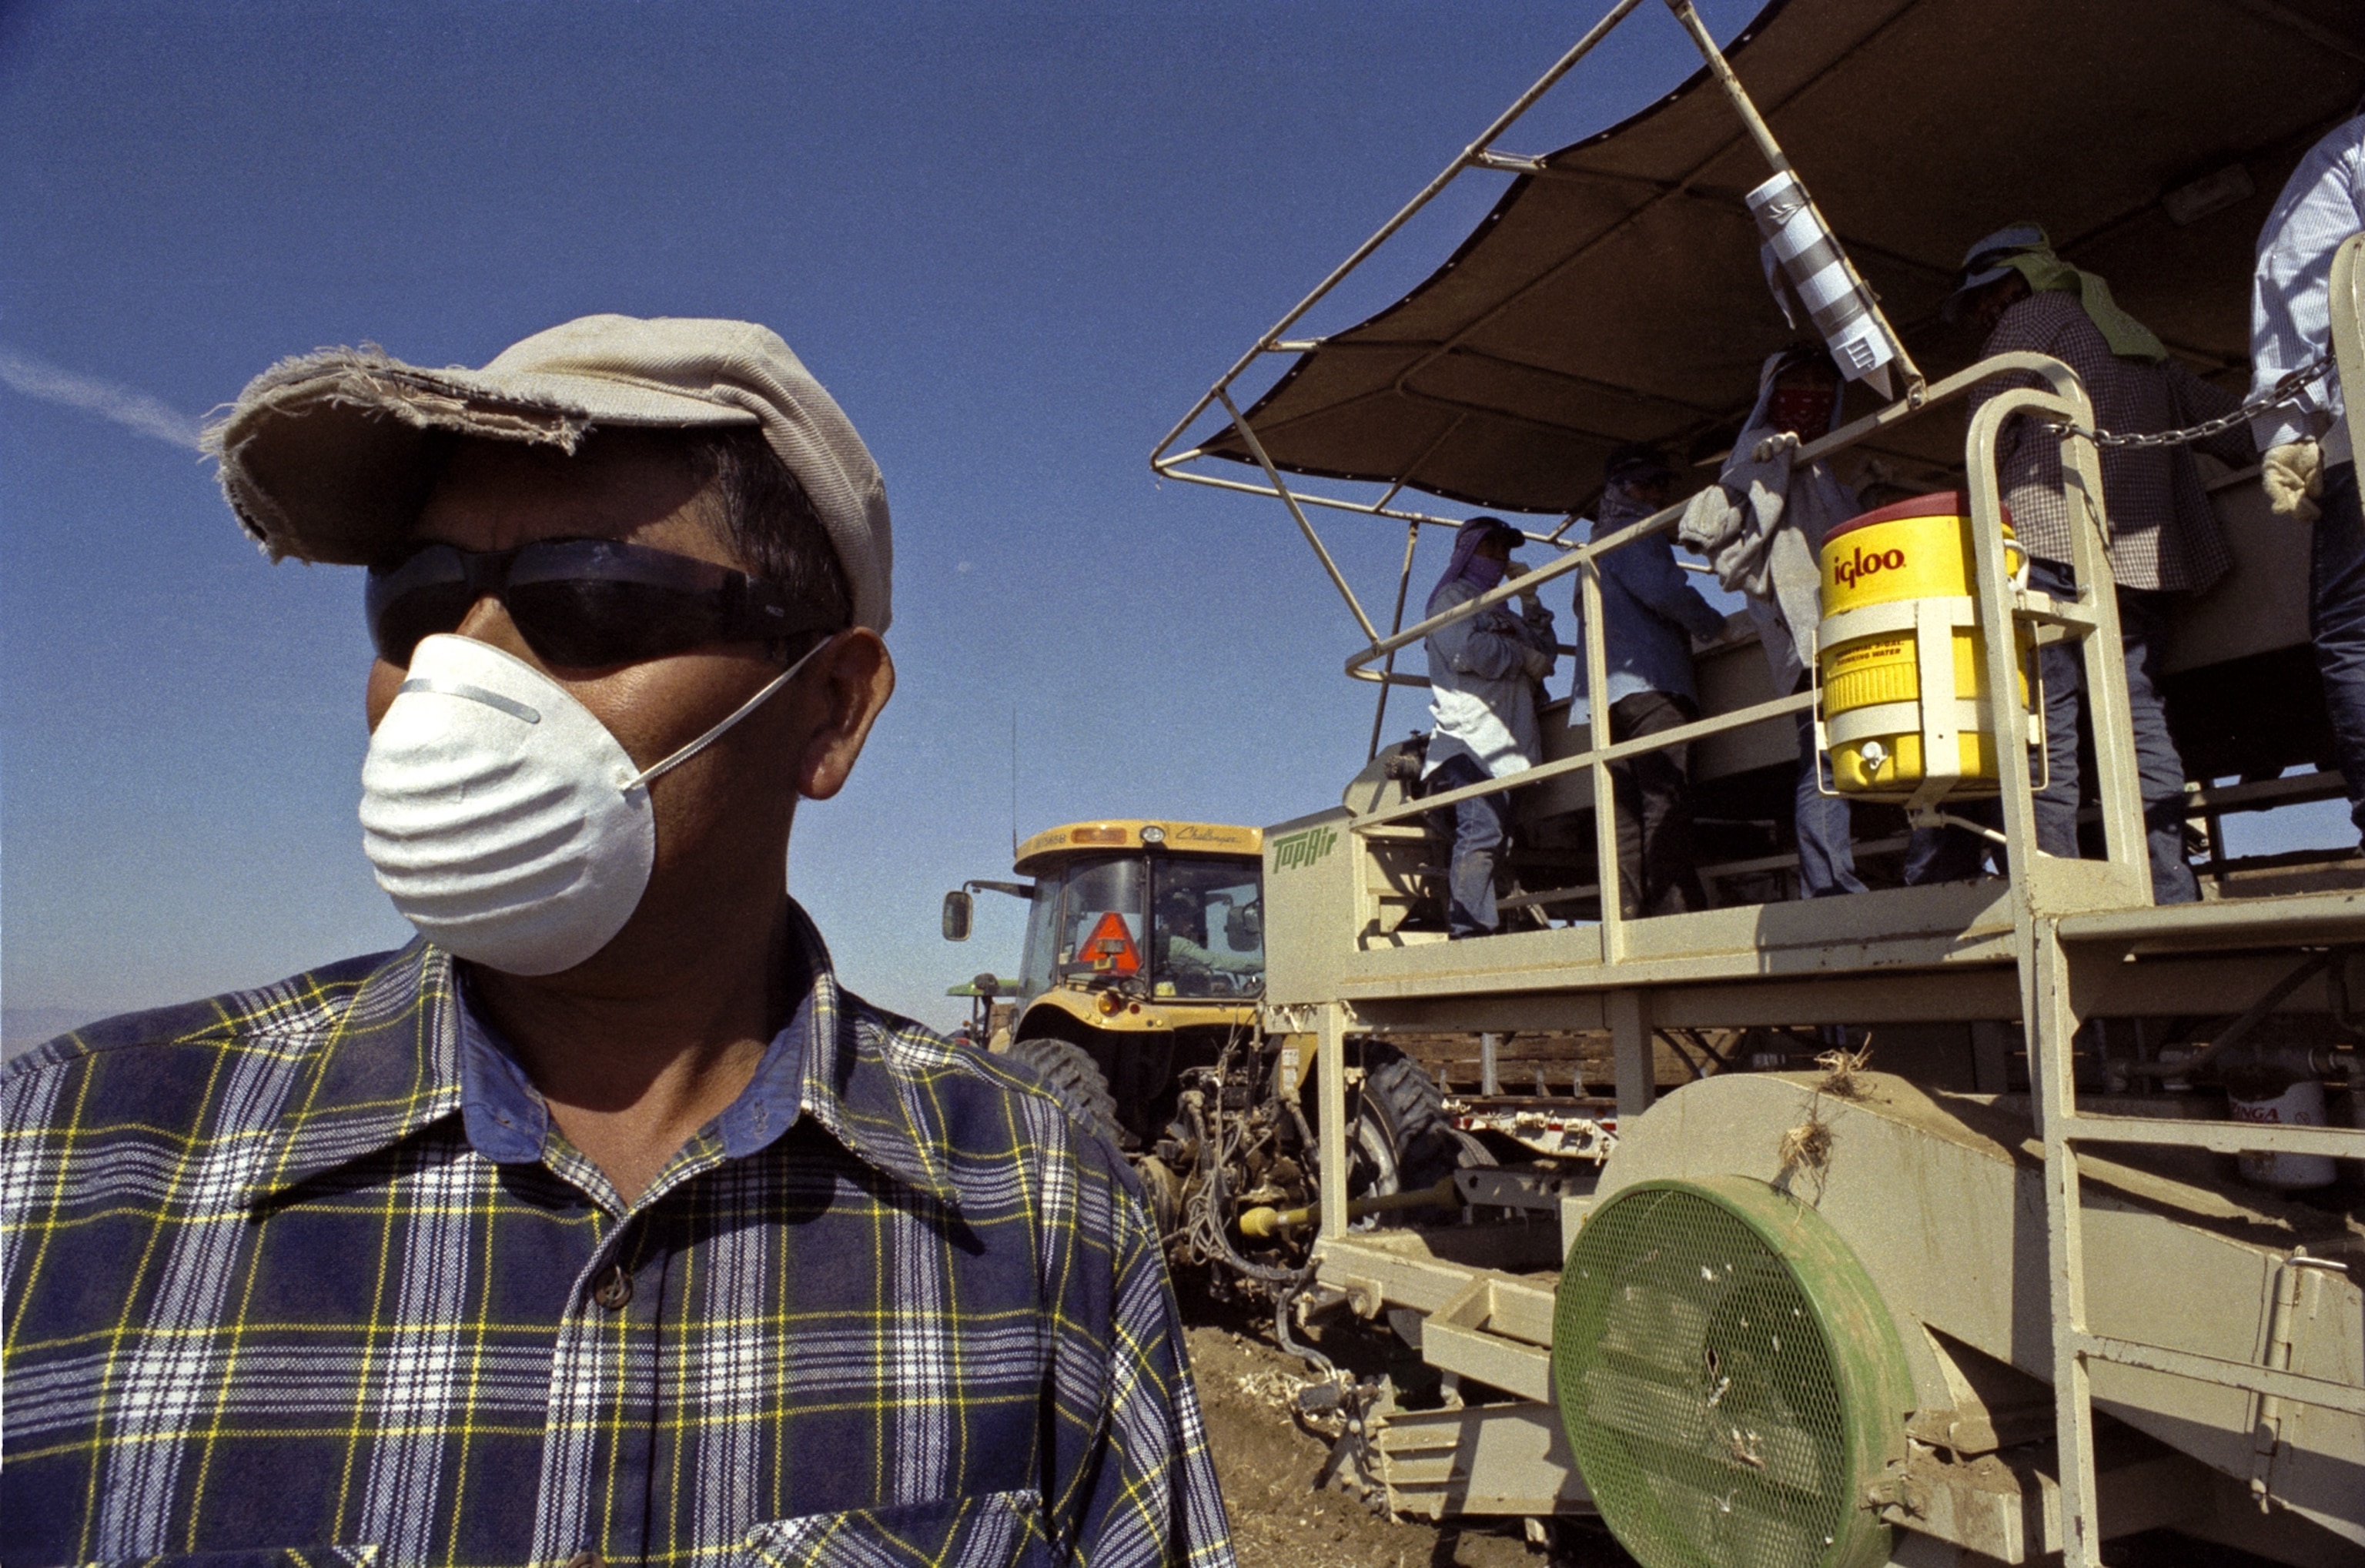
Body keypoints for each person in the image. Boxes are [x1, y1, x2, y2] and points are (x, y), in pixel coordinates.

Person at [0, 316, 1233, 1567]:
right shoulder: (56, 1171)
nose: (457, 670)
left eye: (589, 598)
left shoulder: (1039, 1207)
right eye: (413, 600)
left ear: (830, 708)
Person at [1905, 225, 2255, 903]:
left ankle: (2056, 889)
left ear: (2020, 280)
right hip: (2138, 559)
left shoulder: (2029, 319)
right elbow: (2227, 423)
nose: (1984, 312)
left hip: (2050, 550)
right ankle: (2170, 888)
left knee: (2045, 731)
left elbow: (1987, 433)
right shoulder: (2130, 334)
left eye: (1986, 295)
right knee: (2140, 722)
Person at [1679, 346, 1866, 898]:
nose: (1811, 392)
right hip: (1808, 632)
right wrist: (1761, 470)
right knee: (1826, 754)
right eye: (1798, 380)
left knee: (1852, 750)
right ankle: (1829, 886)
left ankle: (1842, 875)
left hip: (1846, 625)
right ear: (1772, 390)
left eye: (1820, 381)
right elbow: (1711, 525)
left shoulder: (1822, 462)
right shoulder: (1759, 450)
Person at [2251, 113, 2365, 850]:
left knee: (2357, 630)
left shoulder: (2349, 151)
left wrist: (2291, 436)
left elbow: (2303, 284)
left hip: (2364, 432)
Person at [1578, 444, 1728, 918]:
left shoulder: (1592, 552)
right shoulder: (1636, 534)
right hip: (1652, 684)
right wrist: (1716, 626)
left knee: (1624, 816)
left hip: (1607, 699)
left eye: (1661, 485)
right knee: (1665, 804)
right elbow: (1665, 591)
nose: (1656, 495)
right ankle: (1675, 909)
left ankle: (1627, 916)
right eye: (1645, 484)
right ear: (1620, 490)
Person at [1420, 515, 1558, 937]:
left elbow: (1545, 654)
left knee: (1497, 838)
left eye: (1504, 550)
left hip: (1508, 742)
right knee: (1481, 831)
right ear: (1466, 552)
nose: (1498, 557)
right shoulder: (1450, 598)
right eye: (1489, 547)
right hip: (1468, 739)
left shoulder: (1505, 610)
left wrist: (1531, 600)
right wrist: (1521, 657)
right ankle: (1469, 933)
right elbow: (1468, 652)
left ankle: (1487, 925)